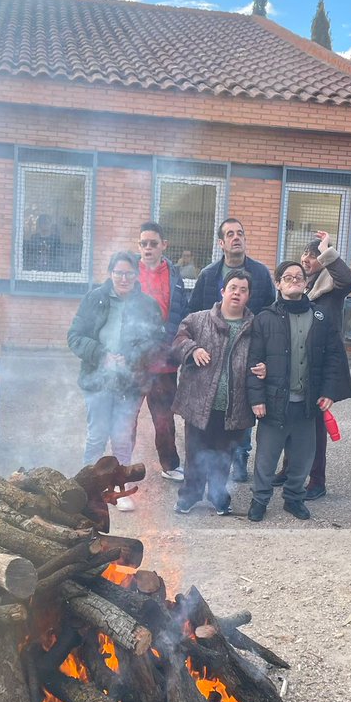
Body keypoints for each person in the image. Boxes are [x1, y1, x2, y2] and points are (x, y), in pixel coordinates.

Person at [246, 261, 351, 522]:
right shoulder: (264, 318)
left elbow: (333, 358)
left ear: (307, 283)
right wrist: (257, 398)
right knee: (266, 458)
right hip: (273, 404)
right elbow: (253, 360)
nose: (294, 280)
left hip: (307, 404)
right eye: (287, 277)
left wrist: (329, 391)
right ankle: (260, 499)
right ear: (278, 283)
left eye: (299, 276)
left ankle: (293, 498)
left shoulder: (321, 318)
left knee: (303, 458)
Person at [67, 251, 165, 512]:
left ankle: (119, 490)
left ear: (136, 275)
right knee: (97, 435)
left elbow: (157, 341)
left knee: (122, 437)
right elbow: (75, 337)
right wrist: (102, 356)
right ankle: (88, 489)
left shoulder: (147, 305)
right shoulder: (94, 299)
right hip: (97, 380)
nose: (124, 278)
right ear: (110, 273)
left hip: (130, 383)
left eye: (129, 273)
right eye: (119, 272)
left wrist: (133, 357)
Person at [188, 218, 275, 481]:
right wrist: (196, 348)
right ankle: (206, 466)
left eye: (240, 233)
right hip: (211, 357)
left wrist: (265, 355)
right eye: (230, 234)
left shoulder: (260, 273)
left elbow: (271, 314)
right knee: (212, 412)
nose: (236, 237)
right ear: (221, 243)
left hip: (247, 352)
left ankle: (240, 460)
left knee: (241, 410)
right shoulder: (208, 274)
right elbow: (192, 314)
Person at [273, 230, 351, 500]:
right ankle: (288, 469)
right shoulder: (300, 287)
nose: (307, 259)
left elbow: (348, 279)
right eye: (305, 255)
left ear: (323, 260)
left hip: (319, 366)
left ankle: (317, 480)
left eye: (314, 255)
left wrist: (327, 250)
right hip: (295, 362)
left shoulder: (331, 289)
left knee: (316, 426)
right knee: (290, 418)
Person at [171, 269, 254, 516]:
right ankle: (189, 495)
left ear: (248, 296)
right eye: (233, 288)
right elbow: (178, 340)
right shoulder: (198, 319)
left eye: (243, 290)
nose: (237, 293)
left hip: (233, 405)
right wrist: (192, 349)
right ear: (223, 292)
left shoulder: (254, 327)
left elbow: (265, 354)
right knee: (195, 452)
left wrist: (263, 368)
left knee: (223, 454)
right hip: (199, 402)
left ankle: (218, 496)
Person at [136, 221, 189, 481]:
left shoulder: (175, 274)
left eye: (153, 243)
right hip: (133, 363)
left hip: (165, 362)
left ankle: (169, 464)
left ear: (163, 245)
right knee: (125, 418)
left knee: (164, 418)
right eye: (143, 243)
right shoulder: (128, 272)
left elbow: (181, 312)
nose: (148, 248)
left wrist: (171, 344)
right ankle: (116, 467)